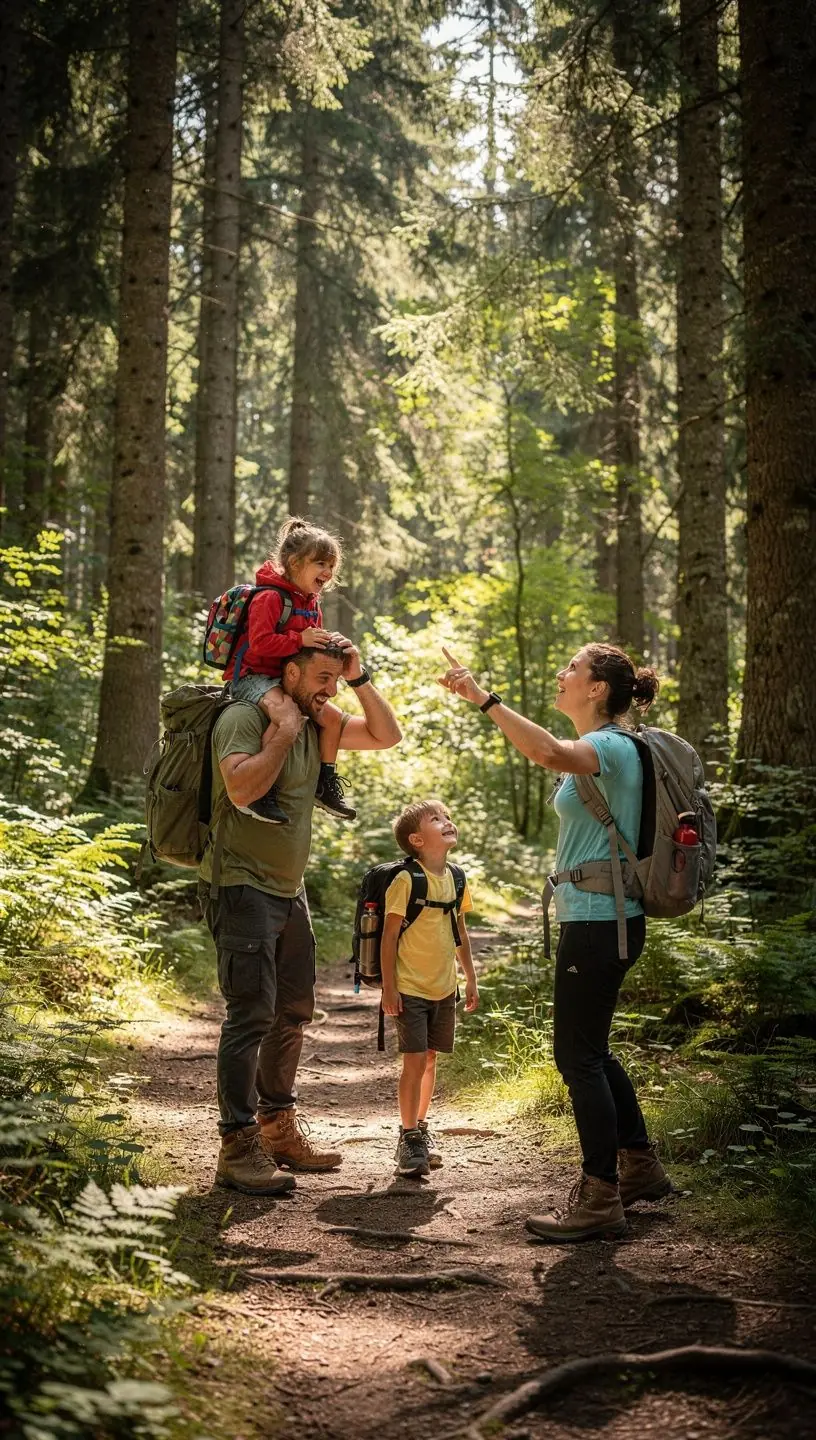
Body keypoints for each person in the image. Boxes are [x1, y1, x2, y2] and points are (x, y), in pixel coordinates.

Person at [438, 642, 674, 1242]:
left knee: (578, 1058)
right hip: (599, 917)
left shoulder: (614, 745)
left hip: (603, 920)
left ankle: (600, 1197)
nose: (561, 673)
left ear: (597, 689)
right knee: (592, 1050)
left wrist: (484, 698)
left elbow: (547, 751)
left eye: (572, 668)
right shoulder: (610, 747)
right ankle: (639, 1167)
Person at [200, 639, 402, 1196]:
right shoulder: (245, 717)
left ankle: (277, 1129)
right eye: (321, 677)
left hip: (290, 892)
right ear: (288, 672)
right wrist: (283, 731)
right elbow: (241, 788)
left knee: (292, 1011)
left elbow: (388, 735)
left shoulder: (322, 719)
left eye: (336, 680)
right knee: (251, 1014)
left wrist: (359, 681)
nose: (329, 689)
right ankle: (236, 1146)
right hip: (240, 886)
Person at [223, 515, 356, 824]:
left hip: (286, 679)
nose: (327, 572)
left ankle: (325, 784)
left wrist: (328, 645)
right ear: (295, 562)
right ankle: (259, 790)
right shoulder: (269, 598)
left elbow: (309, 651)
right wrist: (300, 639)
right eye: (320, 564)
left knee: (333, 720)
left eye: (331, 566)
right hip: (252, 678)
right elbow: (259, 644)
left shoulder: (312, 603)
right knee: (286, 715)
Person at [381, 799, 479, 1178]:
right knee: (414, 1060)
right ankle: (407, 1137)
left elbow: (460, 932)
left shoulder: (456, 877)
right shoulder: (407, 880)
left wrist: (469, 977)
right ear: (417, 839)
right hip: (409, 987)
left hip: (444, 988)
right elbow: (389, 938)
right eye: (436, 819)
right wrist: (389, 989)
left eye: (448, 816)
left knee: (432, 1059)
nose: (447, 822)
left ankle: (421, 1127)